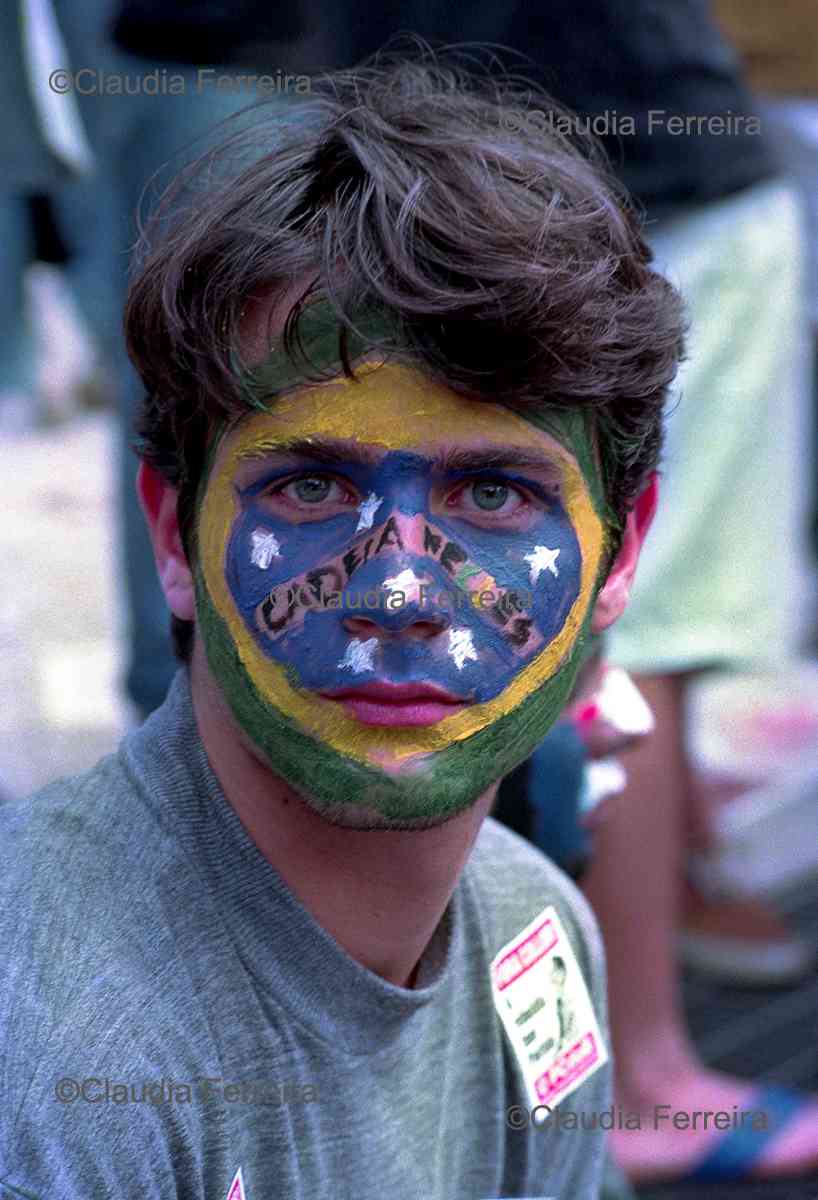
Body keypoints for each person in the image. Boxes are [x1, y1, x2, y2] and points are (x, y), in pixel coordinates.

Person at [0, 56, 683, 1197]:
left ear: (620, 552)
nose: (400, 593)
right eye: (311, 489)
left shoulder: (536, 936)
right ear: (171, 536)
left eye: (492, 495)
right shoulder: (53, 1059)